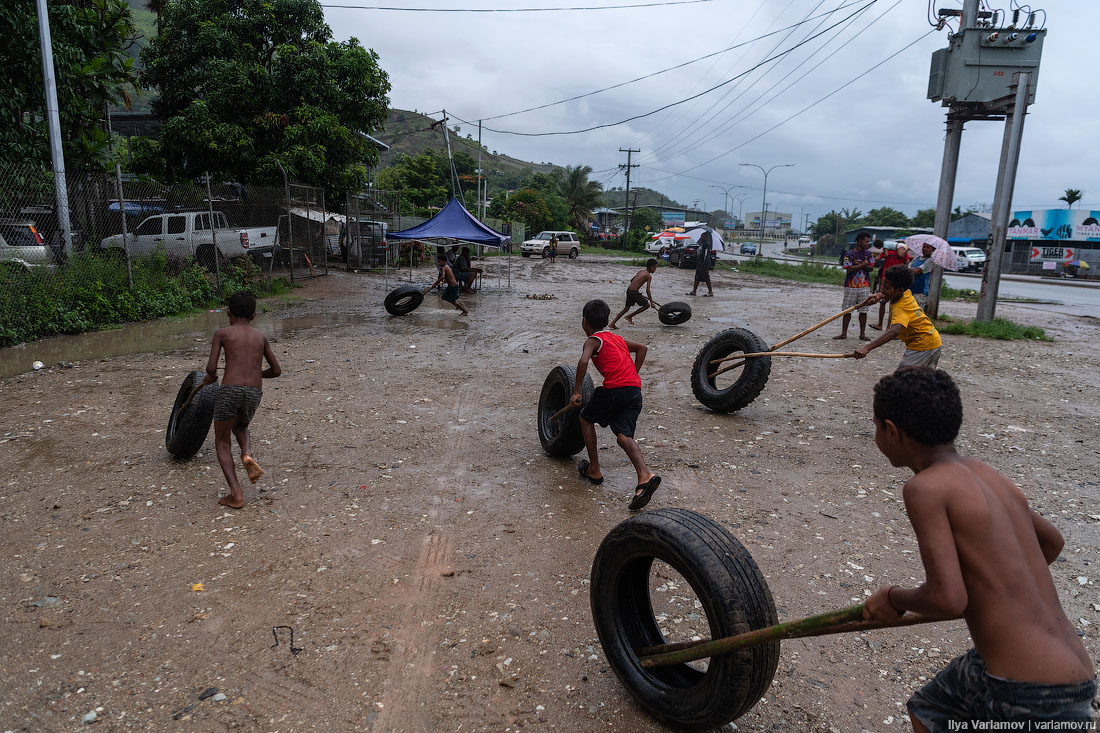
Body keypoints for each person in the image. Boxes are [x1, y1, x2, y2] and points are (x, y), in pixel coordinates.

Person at [863, 368, 1095, 730]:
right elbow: (1052, 542)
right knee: (929, 709)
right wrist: (997, 588)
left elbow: (948, 598)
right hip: (1067, 670)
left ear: (891, 430)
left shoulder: (924, 488)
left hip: (1029, 694)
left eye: (876, 427)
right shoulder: (987, 474)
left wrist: (892, 598)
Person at [571, 299, 661, 511]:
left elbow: (583, 361)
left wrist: (576, 392)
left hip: (615, 390)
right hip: (634, 391)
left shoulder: (593, 340)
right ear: (606, 320)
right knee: (623, 436)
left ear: (584, 321)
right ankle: (645, 476)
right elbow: (642, 348)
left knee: (585, 418)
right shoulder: (616, 338)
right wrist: (632, 374)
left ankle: (594, 469)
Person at [202, 291, 282, 509]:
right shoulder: (261, 337)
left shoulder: (222, 334)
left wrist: (211, 377)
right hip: (254, 391)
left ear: (228, 312)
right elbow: (276, 370)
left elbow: (211, 368)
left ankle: (236, 494)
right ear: (254, 315)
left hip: (230, 390)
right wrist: (256, 373)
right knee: (241, 426)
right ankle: (247, 453)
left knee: (222, 442)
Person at [852, 265, 942, 370]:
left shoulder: (900, 308)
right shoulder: (905, 293)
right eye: (882, 286)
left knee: (902, 377)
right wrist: (880, 295)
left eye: (886, 288)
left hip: (922, 346)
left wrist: (867, 348)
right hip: (933, 341)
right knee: (923, 377)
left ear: (899, 290)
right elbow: (891, 292)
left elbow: (895, 331)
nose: (882, 289)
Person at [834, 231, 875, 341]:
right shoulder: (849, 253)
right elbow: (849, 269)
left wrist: (857, 264)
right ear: (859, 241)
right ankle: (843, 333)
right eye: (866, 241)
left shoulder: (868, 253)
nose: (867, 244)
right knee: (847, 310)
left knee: (864, 310)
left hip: (864, 285)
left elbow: (871, 268)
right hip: (851, 285)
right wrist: (863, 264)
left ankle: (862, 334)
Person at [609, 259, 658, 329]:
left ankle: (612, 323)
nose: (655, 270)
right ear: (651, 267)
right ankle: (629, 316)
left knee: (626, 308)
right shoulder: (648, 276)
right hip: (634, 292)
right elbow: (647, 290)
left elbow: (632, 280)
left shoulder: (641, 271)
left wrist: (636, 289)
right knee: (647, 305)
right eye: (655, 267)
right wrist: (652, 302)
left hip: (629, 290)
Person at [871, 243, 910, 330]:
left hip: (887, 280)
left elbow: (878, 258)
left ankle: (881, 324)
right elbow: (907, 263)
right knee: (891, 303)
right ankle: (887, 326)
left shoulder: (888, 252)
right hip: (893, 281)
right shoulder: (902, 253)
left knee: (884, 302)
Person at [908, 241, 936, 310]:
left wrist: (909, 270)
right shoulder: (917, 258)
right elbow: (909, 267)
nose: (924, 249)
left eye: (928, 247)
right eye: (924, 247)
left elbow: (918, 271)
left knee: (917, 310)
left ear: (932, 250)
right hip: (910, 288)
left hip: (920, 290)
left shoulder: (930, 261)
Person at [686, 230, 714, 297]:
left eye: (703, 236)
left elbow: (706, 255)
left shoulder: (706, 245)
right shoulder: (701, 244)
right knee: (697, 277)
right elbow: (700, 253)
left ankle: (710, 292)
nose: (701, 237)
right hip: (699, 263)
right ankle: (694, 291)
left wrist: (704, 263)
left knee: (706, 277)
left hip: (704, 264)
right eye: (701, 236)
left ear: (706, 237)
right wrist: (696, 255)